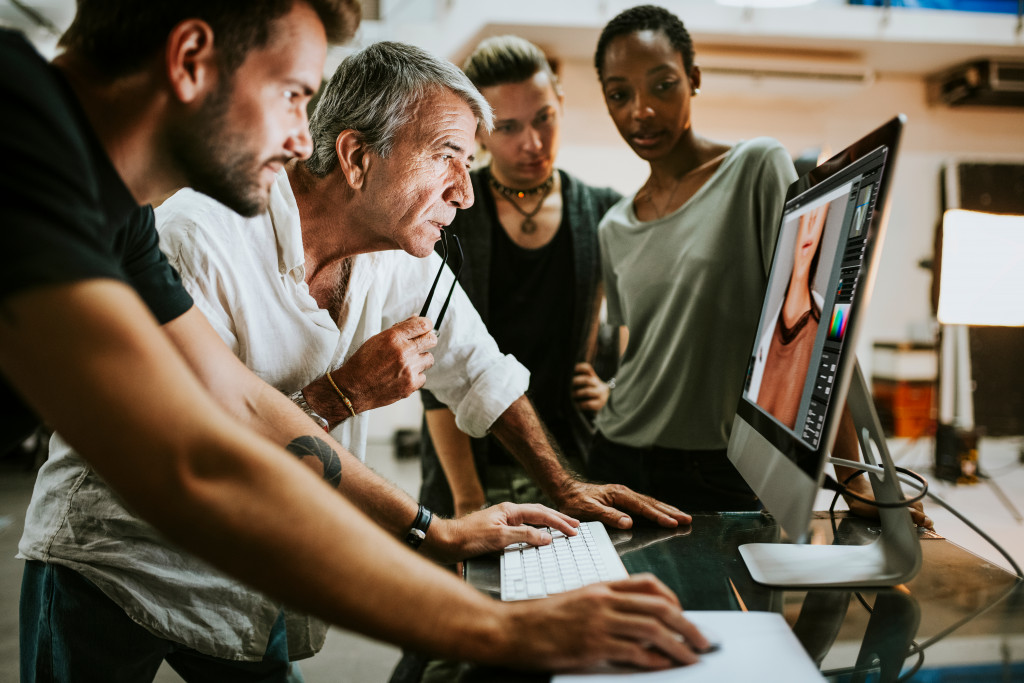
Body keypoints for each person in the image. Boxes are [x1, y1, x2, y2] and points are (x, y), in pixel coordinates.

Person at [3, 4, 709, 680]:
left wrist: (529, 498)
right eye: (292, 95)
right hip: (115, 559)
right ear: (191, 61)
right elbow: (201, 460)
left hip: (240, 562)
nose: (299, 137)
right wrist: (494, 619)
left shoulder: (119, 222)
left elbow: (241, 406)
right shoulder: (48, 155)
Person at [590, 4, 931, 526]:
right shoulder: (614, 224)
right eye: (620, 94)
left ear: (694, 79)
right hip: (615, 456)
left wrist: (855, 475)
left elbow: (817, 316)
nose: (641, 111)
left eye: (662, 85)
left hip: (721, 466)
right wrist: (602, 389)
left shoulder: (754, 167)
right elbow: (642, 341)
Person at [417, 35, 622, 520]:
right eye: (507, 127)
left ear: (561, 103)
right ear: (481, 132)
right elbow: (434, 361)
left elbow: (647, 318)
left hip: (571, 459)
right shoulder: (450, 214)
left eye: (544, 118)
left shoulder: (602, 209)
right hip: (467, 466)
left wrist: (618, 387)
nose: (532, 143)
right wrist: (468, 497)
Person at [749, 203, 829, 429]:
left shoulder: (822, 331)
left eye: (820, 215)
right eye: (807, 216)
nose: (811, 225)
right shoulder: (765, 329)